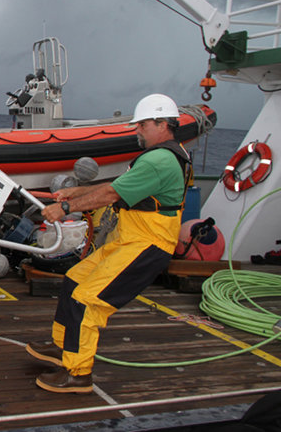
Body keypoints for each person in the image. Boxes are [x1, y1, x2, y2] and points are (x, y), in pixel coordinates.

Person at [26, 93, 191, 393]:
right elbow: (118, 187)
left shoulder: (160, 160)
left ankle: (78, 374)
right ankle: (63, 345)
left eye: (142, 125)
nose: (137, 130)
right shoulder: (164, 156)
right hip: (130, 239)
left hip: (147, 246)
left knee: (88, 300)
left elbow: (112, 196)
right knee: (75, 280)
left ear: (162, 124)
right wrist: (76, 193)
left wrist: (64, 209)